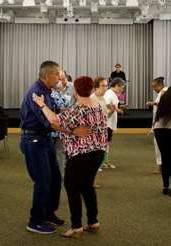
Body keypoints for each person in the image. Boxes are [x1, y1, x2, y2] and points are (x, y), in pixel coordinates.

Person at [19, 60, 90, 235]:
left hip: (45, 139)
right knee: (43, 181)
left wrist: (76, 109)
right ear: (48, 74)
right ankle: (35, 221)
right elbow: (51, 122)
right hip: (34, 140)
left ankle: (48, 213)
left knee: (56, 178)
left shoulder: (46, 91)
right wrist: (74, 131)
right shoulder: (37, 92)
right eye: (57, 74)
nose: (59, 78)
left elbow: (56, 110)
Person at [32, 76, 107, 238]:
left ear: (75, 91)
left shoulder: (78, 110)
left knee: (72, 187)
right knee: (87, 186)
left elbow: (53, 120)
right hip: (98, 153)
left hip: (82, 154)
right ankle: (93, 222)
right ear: (92, 89)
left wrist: (42, 104)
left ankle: (76, 227)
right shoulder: (97, 106)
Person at [90, 76, 117, 187]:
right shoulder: (92, 98)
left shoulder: (103, 99)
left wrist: (112, 111)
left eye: (106, 85)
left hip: (102, 130)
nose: (105, 88)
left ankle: (92, 178)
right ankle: (91, 180)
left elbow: (105, 116)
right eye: (102, 86)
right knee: (94, 157)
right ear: (96, 87)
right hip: (94, 132)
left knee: (100, 156)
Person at [146, 77, 168, 174]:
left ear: (160, 85)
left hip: (162, 124)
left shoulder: (165, 91)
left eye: (155, 86)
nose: (154, 88)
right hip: (162, 123)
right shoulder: (163, 92)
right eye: (153, 87)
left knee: (158, 144)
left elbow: (164, 104)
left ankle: (161, 167)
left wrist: (153, 103)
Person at [103, 77, 125, 168]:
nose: (122, 89)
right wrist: (117, 110)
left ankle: (106, 161)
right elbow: (106, 103)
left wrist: (122, 106)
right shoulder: (110, 93)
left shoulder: (112, 93)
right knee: (105, 143)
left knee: (107, 142)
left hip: (109, 121)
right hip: (107, 122)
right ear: (116, 85)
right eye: (121, 87)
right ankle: (103, 162)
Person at [50, 81, 71, 178]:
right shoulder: (65, 99)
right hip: (61, 130)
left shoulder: (47, 98)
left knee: (48, 153)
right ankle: (60, 175)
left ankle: (48, 175)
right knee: (60, 153)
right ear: (60, 88)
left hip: (49, 129)